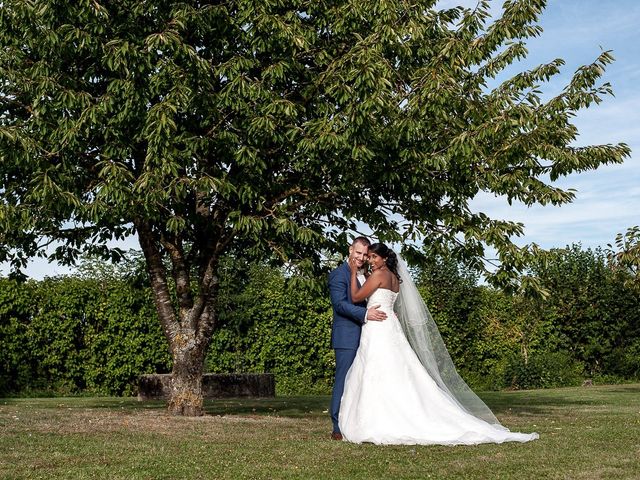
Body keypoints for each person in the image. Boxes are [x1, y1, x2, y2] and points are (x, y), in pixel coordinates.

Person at [338, 242, 539, 445]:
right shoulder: (394, 278)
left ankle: (379, 418)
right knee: (397, 369)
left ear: (383, 258)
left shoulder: (379, 275)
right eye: (369, 257)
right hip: (389, 324)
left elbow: (355, 297)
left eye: (373, 257)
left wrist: (354, 272)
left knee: (378, 370)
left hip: (378, 327)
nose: (370, 261)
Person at [327, 236, 387, 441]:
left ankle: (357, 422)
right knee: (343, 380)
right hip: (347, 336)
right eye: (358, 253)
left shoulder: (368, 274)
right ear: (350, 250)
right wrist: (365, 314)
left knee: (362, 381)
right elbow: (340, 305)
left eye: (365, 254)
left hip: (369, 335)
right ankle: (337, 426)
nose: (361, 258)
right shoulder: (338, 275)